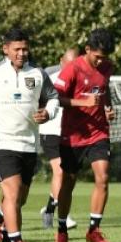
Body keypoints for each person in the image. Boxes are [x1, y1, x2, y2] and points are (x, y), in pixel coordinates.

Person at [0, 28, 59, 242]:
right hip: (0, 141)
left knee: (20, 199)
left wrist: (48, 113)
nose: (21, 53)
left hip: (28, 142)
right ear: (6, 49)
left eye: (25, 48)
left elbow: (53, 98)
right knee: (12, 192)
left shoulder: (38, 74)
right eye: (17, 49)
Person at [53, 29, 117, 242]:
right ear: (87, 49)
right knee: (68, 181)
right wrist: (84, 103)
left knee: (103, 176)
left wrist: (108, 107)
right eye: (97, 56)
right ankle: (61, 230)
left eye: (104, 57)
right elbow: (56, 99)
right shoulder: (73, 68)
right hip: (72, 135)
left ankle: (93, 230)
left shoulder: (108, 67)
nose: (100, 61)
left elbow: (104, 89)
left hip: (98, 132)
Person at [39, 48, 79, 230]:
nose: (72, 67)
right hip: (50, 130)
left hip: (70, 133)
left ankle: (49, 209)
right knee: (60, 172)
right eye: (69, 62)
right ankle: (64, 215)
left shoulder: (81, 80)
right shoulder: (51, 79)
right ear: (61, 61)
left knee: (69, 175)